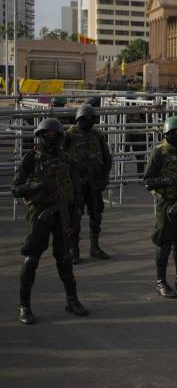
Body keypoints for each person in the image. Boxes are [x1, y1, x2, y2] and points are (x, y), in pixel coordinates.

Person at [11, 118, 89, 325]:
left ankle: (72, 300)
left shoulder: (67, 160)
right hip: (39, 214)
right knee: (32, 258)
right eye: (48, 136)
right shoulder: (31, 159)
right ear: (40, 137)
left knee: (64, 258)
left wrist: (77, 212)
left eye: (55, 136)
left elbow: (76, 189)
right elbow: (15, 189)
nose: (51, 139)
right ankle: (24, 305)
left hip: (63, 214)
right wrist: (37, 185)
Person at [143, 116, 177, 298]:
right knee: (164, 243)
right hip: (167, 204)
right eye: (176, 133)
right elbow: (147, 181)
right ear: (168, 134)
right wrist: (167, 181)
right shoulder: (159, 152)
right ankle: (161, 281)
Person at [63, 104, 112, 263]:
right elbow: (61, 158)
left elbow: (107, 158)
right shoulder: (69, 135)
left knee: (96, 214)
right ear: (79, 119)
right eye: (86, 119)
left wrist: (105, 177)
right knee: (75, 216)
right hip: (76, 183)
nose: (90, 122)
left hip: (94, 182)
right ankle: (74, 249)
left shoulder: (97, 135)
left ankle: (95, 247)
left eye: (92, 119)